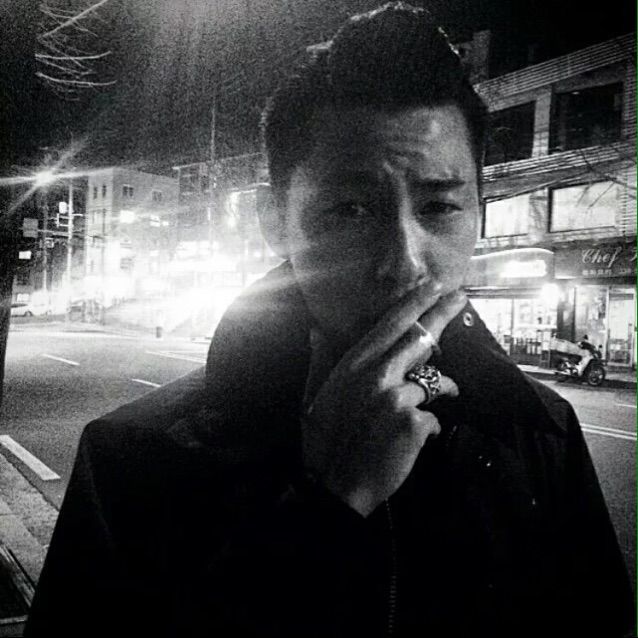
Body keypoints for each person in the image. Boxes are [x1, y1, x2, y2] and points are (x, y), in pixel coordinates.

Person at [25, 4, 633, 637]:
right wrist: (326, 507)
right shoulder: (135, 461)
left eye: (439, 207)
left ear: (479, 211)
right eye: (351, 209)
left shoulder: (542, 435)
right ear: (274, 221)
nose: (404, 262)